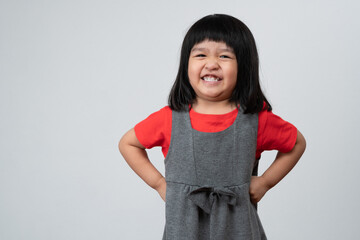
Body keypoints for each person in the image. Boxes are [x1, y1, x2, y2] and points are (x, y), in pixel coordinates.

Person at [119, 14, 306, 240]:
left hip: (239, 231)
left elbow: (296, 143)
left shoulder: (255, 120)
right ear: (186, 63)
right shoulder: (170, 119)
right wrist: (159, 183)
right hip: (184, 232)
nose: (211, 63)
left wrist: (265, 182)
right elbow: (128, 143)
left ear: (243, 66)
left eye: (225, 56)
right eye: (200, 55)